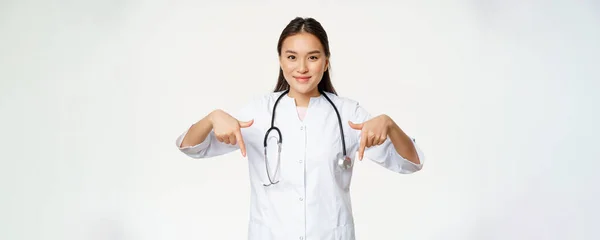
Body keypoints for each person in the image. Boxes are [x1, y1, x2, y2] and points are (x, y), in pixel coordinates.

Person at [175, 17, 425, 240]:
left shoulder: (349, 114)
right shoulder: (258, 113)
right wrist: (211, 119)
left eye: (313, 57)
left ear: (326, 62)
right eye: (292, 57)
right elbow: (191, 147)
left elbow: (410, 163)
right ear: (281, 61)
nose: (302, 68)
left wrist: (390, 125)